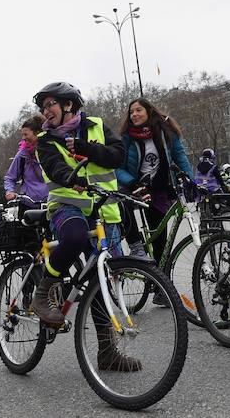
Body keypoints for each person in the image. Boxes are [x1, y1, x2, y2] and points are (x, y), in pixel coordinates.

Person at [32, 82, 140, 371]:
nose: (46, 111)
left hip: (103, 208)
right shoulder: (45, 141)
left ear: (68, 104)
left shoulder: (97, 126)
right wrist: (74, 179)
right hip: (67, 206)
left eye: (50, 104)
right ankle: (43, 292)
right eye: (43, 107)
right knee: (75, 237)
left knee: (99, 279)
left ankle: (107, 353)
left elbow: (117, 155)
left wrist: (85, 149)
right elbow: (55, 168)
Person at [115, 98, 194, 273]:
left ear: (149, 111)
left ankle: (159, 280)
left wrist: (191, 180)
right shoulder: (126, 137)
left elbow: (179, 156)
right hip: (134, 186)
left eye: (138, 110)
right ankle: (136, 247)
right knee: (122, 202)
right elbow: (118, 168)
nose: (134, 114)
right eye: (131, 112)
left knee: (160, 240)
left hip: (158, 188)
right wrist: (132, 183)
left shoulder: (166, 132)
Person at [3, 115, 49, 218]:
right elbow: (10, 178)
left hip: (52, 203)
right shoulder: (22, 155)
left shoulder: (51, 151)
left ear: (37, 133)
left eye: (25, 134)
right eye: (22, 134)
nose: (23, 138)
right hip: (28, 205)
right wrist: (10, 191)